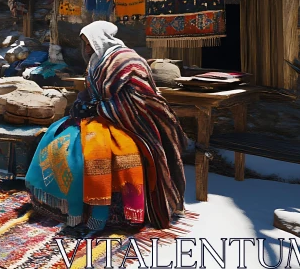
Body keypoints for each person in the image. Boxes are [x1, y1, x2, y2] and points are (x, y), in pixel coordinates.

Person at [26, 21, 186, 230]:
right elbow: (90, 91)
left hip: (129, 121)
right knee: (57, 135)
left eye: (88, 43)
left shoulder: (127, 61)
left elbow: (138, 100)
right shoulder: (96, 61)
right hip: (99, 117)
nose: (85, 48)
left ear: (99, 40)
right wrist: (83, 103)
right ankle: (62, 203)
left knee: (99, 151)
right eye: (83, 44)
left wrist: (98, 108)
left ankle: (105, 210)